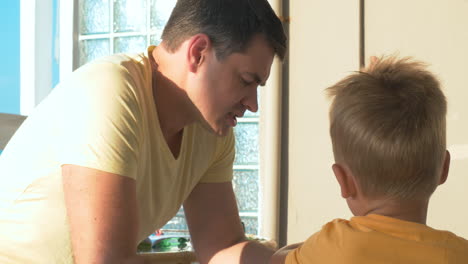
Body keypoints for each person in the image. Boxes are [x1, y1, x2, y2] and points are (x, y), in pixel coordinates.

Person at [0, 0, 286, 263]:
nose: (252, 104)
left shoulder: (211, 131)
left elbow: (222, 247)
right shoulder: (109, 93)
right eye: (246, 80)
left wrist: (301, 259)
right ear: (198, 53)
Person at [270, 56, 468, 263]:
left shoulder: (332, 246)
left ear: (344, 180)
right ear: (444, 168)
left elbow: (276, 260)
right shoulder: (460, 254)